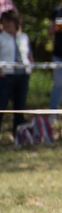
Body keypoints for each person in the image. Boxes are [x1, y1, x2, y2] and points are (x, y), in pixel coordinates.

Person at [0, 9, 33, 137]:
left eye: (8, 21)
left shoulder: (24, 37)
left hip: (22, 76)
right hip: (6, 76)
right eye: (4, 22)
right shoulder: (1, 38)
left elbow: (29, 54)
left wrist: (30, 67)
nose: (6, 24)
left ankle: (19, 135)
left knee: (20, 107)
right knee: (1, 106)